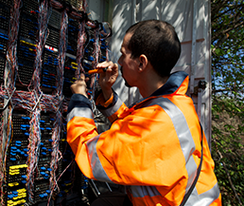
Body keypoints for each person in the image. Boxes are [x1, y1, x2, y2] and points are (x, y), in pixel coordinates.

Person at [67, 20, 221, 206]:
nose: (119, 62)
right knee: (105, 201)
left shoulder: (158, 123)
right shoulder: (173, 104)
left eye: (123, 55)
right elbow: (133, 130)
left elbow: (89, 152)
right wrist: (107, 91)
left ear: (141, 62)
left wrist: (79, 99)